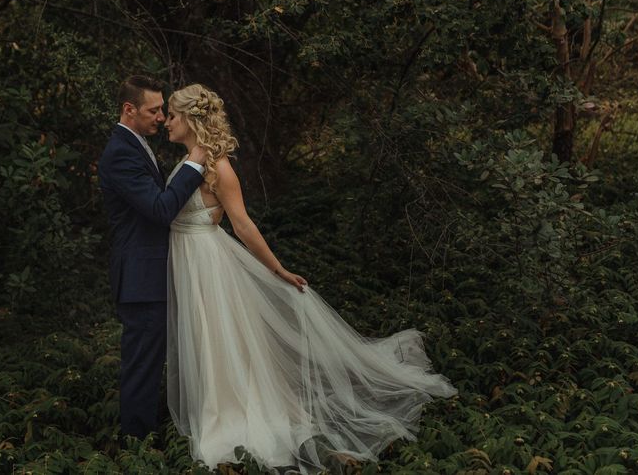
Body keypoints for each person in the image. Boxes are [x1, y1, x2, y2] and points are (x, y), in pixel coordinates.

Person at [163, 83, 458, 474]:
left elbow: (244, 226)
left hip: (208, 267)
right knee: (204, 342)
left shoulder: (219, 169)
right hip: (188, 262)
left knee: (217, 340)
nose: (166, 122)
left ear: (190, 119)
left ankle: (235, 415)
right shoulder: (188, 161)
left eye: (172, 115)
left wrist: (278, 269)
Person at [97, 75, 208, 440]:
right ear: (129, 109)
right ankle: (136, 445)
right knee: (142, 366)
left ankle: (149, 433)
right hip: (141, 280)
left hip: (154, 275)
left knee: (150, 362)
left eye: (162, 110)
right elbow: (160, 209)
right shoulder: (120, 153)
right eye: (154, 110)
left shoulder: (137, 144)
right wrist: (195, 163)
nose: (161, 117)